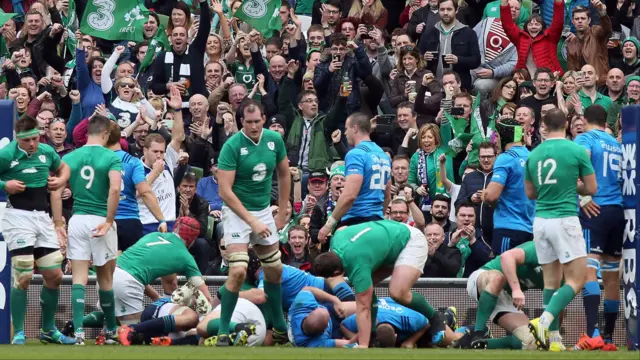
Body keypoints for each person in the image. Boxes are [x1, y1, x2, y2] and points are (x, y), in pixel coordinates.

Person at [215, 100, 291, 346]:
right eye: (249, 122)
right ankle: (223, 331)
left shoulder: (274, 140)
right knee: (237, 270)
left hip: (263, 211)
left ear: (264, 118)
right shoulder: (232, 146)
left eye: (258, 121)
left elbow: (284, 172)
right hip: (237, 212)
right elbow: (225, 191)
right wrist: (252, 222)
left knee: (275, 269)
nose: (254, 126)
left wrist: (282, 209)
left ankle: (279, 327)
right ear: (241, 123)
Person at [524, 108, 597, 349]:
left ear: (544, 125)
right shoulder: (576, 149)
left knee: (550, 282)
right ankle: (544, 322)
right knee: (577, 280)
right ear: (566, 124)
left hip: (540, 221)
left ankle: (554, 341)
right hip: (564, 218)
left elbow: (531, 193)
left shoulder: (533, 154)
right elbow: (591, 188)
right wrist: (572, 186)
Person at [0, 116, 73, 345]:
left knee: (54, 275)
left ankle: (48, 329)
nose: (33, 144)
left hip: (43, 218)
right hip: (17, 217)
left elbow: (64, 168)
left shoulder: (46, 151)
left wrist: (60, 180)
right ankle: (19, 331)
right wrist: (5, 185)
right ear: (18, 138)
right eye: (28, 140)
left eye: (35, 138)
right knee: (23, 274)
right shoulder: (6, 155)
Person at [314, 220, 445, 348]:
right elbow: (343, 228)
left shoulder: (357, 266)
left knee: (397, 292)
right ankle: (372, 333)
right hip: (390, 230)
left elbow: (363, 307)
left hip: (411, 240)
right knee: (367, 290)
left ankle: (435, 318)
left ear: (336, 272)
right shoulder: (336, 240)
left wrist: (363, 346)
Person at [61, 114, 123, 345]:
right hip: (99, 219)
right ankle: (109, 332)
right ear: (106, 133)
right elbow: (114, 190)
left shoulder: (71, 156)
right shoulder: (111, 156)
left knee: (78, 278)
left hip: (77, 218)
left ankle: (78, 334)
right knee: (105, 279)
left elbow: (57, 189)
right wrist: (108, 220)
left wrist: (59, 222)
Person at [573, 105, 624, 351]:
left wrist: (583, 197)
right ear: (606, 122)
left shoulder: (585, 138)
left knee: (589, 270)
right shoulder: (618, 144)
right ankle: (609, 338)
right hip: (618, 211)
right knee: (612, 276)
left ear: (584, 120)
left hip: (596, 208)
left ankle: (592, 332)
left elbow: (576, 170)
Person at [116, 217, 213, 345]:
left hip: (109, 276)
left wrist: (157, 297)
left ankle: (102, 330)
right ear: (192, 240)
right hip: (128, 285)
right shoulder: (185, 257)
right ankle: (130, 329)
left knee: (120, 328)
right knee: (136, 337)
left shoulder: (154, 235)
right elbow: (207, 297)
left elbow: (135, 272)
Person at [317, 113, 391, 241]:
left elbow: (349, 195)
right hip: (377, 222)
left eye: (346, 128)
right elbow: (387, 194)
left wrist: (328, 225)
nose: (345, 133)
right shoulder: (383, 155)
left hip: (356, 221)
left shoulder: (356, 154)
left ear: (355, 128)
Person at [467, 243, 550, 350]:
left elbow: (556, 305)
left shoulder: (560, 272)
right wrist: (516, 289)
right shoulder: (540, 248)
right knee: (498, 278)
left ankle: (477, 343)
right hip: (485, 278)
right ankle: (477, 334)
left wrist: (553, 336)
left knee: (532, 343)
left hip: (506, 298)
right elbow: (506, 257)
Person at [106, 123, 167, 253]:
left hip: (105, 220)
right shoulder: (133, 161)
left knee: (108, 268)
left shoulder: (98, 161)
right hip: (130, 220)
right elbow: (145, 192)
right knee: (130, 267)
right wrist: (161, 219)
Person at [483, 119, 535, 254]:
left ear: (504, 137)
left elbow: (491, 196)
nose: (495, 141)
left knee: (502, 273)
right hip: (530, 231)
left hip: (508, 229)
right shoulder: (532, 157)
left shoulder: (506, 158)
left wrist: (484, 195)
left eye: (497, 136)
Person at [198, 297, 266, 347]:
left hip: (242, 305)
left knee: (201, 328)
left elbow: (260, 295)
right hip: (258, 333)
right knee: (204, 341)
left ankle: (240, 327)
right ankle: (232, 338)